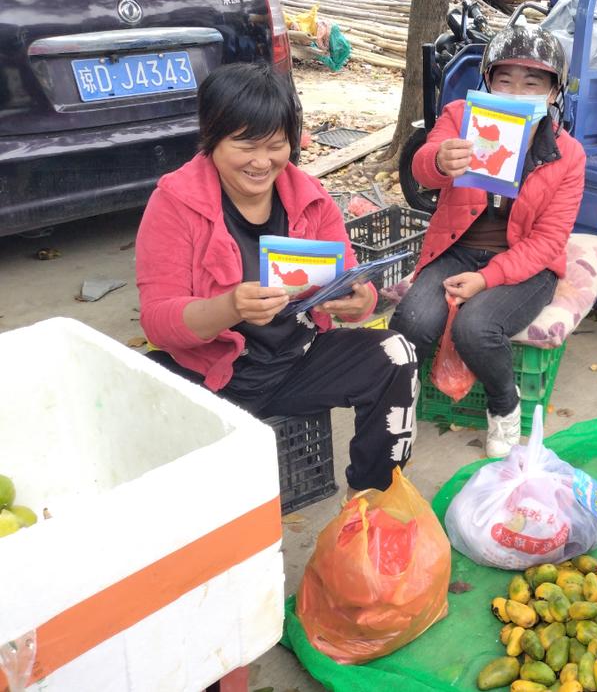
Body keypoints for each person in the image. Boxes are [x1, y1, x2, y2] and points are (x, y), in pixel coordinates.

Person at [136, 63, 417, 495]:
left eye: (276, 145)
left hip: (296, 360)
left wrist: (358, 301)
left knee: (396, 354)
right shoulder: (174, 204)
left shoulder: (309, 198)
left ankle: (373, 504)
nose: (262, 162)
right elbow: (157, 321)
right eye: (245, 145)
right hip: (214, 375)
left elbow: (350, 280)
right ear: (211, 138)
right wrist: (229, 307)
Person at [390, 25, 584, 459]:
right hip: (456, 248)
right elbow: (423, 170)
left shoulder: (567, 155)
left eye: (532, 82)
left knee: (474, 328)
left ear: (554, 93)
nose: (516, 92)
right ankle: (399, 403)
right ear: (487, 81)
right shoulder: (460, 117)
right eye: (504, 80)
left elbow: (549, 240)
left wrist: (487, 279)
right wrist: (439, 159)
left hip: (524, 265)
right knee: (411, 322)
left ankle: (505, 404)